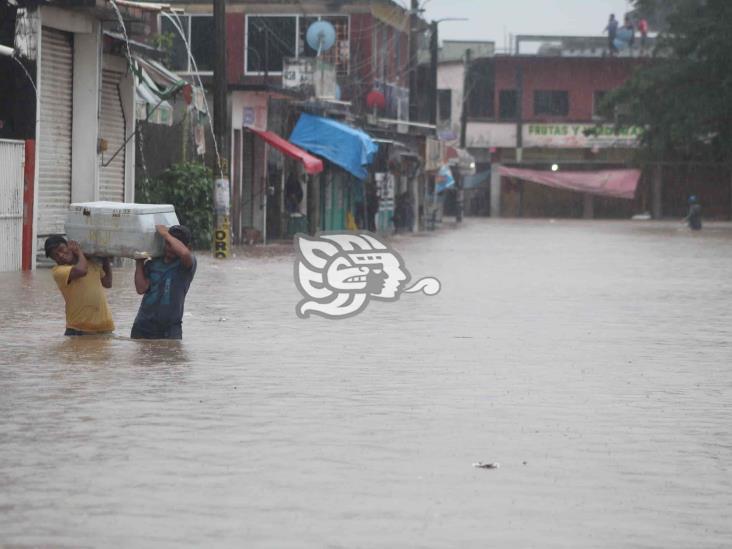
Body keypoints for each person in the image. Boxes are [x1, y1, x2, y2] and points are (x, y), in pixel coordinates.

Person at [131, 225, 196, 340]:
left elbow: (185, 254)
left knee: (170, 357)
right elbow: (141, 289)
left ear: (188, 247)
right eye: (167, 244)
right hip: (142, 326)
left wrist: (166, 234)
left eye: (173, 245)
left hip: (170, 329)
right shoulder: (153, 263)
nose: (170, 248)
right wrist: (139, 263)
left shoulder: (186, 265)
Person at [45, 235, 114, 336]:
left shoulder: (91, 262)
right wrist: (79, 252)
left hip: (104, 327)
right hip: (78, 330)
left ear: (69, 245)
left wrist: (105, 259)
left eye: (61, 249)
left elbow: (108, 283)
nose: (60, 255)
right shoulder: (58, 271)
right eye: (55, 255)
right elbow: (82, 271)